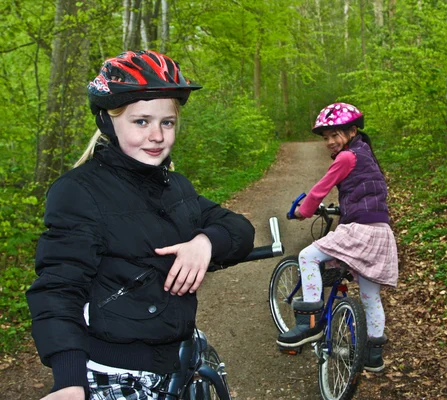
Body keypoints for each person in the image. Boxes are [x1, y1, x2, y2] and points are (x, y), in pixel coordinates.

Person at [26, 50, 255, 399]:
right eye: (141, 121)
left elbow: (239, 229)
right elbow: (58, 289)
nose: (157, 136)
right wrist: (69, 380)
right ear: (107, 122)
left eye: (167, 122)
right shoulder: (78, 192)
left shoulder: (174, 186)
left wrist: (205, 243)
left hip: (178, 355)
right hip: (120, 374)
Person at [276, 102, 398, 372]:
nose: (330, 142)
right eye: (326, 137)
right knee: (369, 296)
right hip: (381, 232)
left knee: (308, 256)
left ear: (352, 131)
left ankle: (309, 323)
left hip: (360, 231)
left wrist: (302, 211)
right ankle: (374, 356)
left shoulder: (346, 158)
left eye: (335, 135)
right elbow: (366, 192)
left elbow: (319, 190)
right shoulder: (367, 154)